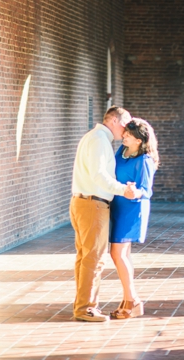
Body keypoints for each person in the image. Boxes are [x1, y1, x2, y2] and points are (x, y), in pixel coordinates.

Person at [70, 105, 136, 322]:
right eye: (125, 125)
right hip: (93, 204)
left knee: (85, 257)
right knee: (94, 259)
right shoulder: (99, 139)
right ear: (114, 121)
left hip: (83, 202)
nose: (126, 131)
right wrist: (122, 190)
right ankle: (86, 308)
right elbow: (99, 175)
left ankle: (82, 305)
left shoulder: (94, 136)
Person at [108, 117, 159, 320]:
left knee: (117, 254)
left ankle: (132, 300)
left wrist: (133, 191)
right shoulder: (121, 151)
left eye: (128, 135)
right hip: (117, 205)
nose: (124, 136)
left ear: (139, 140)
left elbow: (146, 191)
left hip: (132, 209)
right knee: (123, 255)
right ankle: (128, 299)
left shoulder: (145, 160)